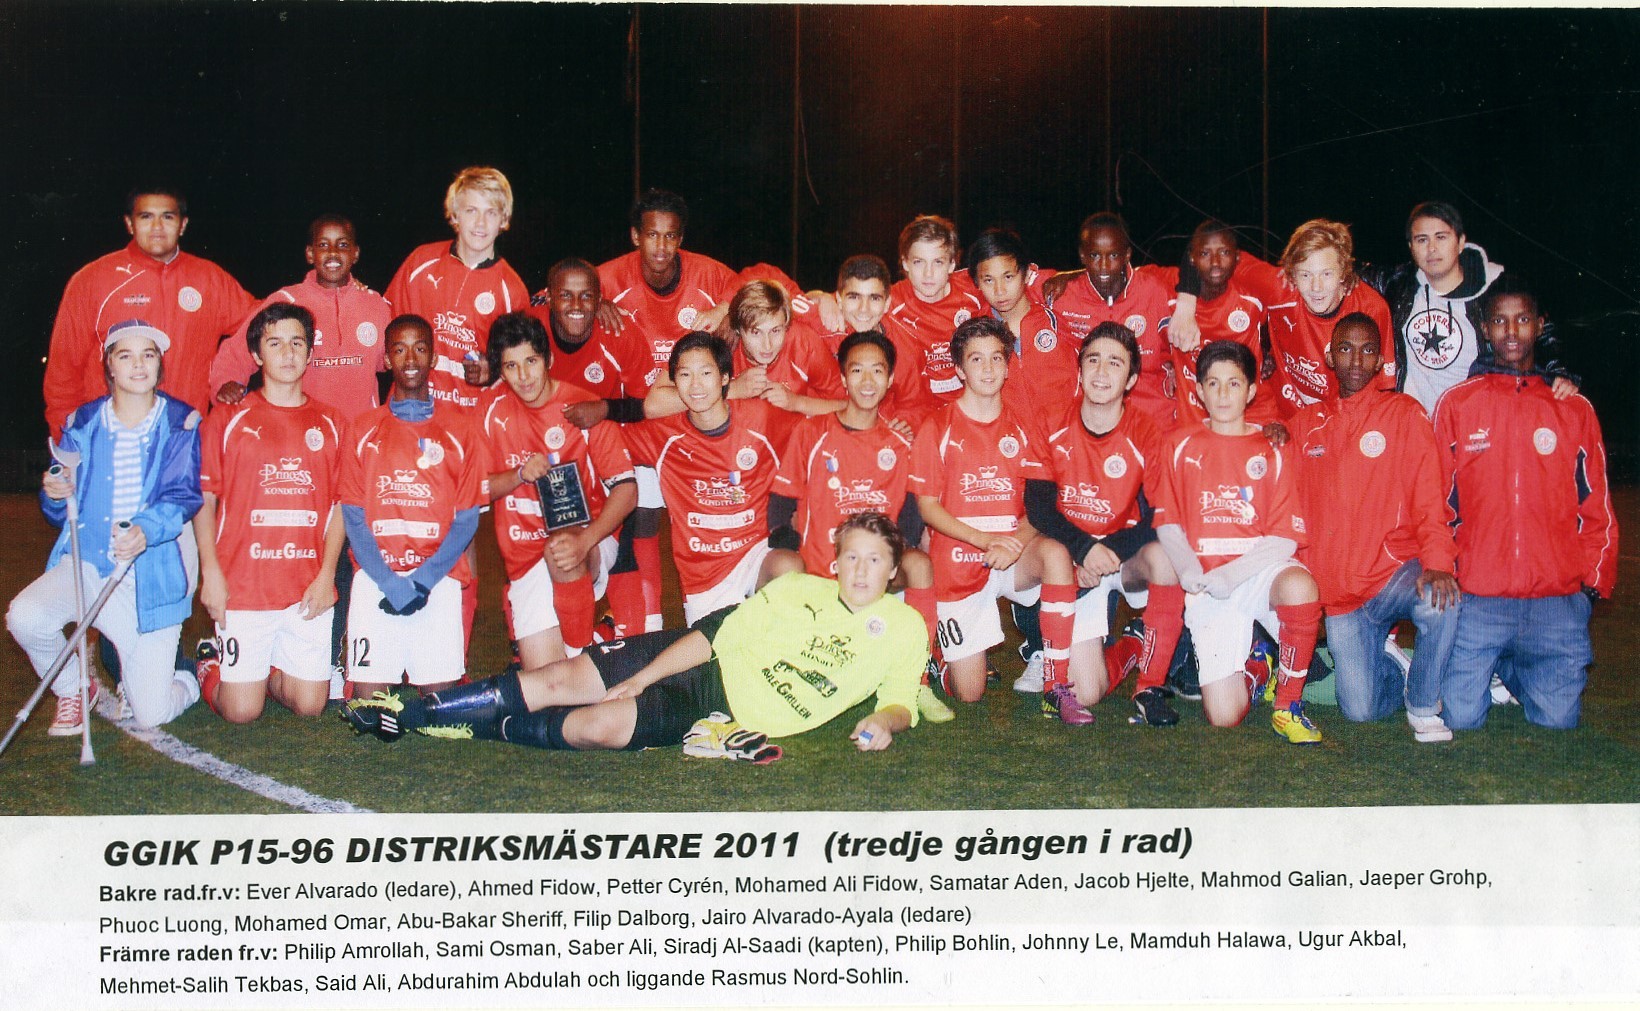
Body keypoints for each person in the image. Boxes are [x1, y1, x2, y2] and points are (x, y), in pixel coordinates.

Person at [340, 512, 925, 756]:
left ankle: (469, 725)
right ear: (835, 561)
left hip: (723, 708)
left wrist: (885, 720)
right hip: (695, 660)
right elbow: (712, 635)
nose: (861, 571)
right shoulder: (797, 588)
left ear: (894, 570)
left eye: (875, 561)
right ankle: (411, 710)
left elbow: (901, 699)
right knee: (561, 679)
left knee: (594, 727)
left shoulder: (904, 628)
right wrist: (641, 678)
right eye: (852, 557)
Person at [1433, 282, 1617, 730]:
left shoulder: (1573, 408)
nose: (1511, 332)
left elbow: (1597, 506)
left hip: (1555, 598)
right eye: (1499, 320)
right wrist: (1449, 570)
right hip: (1481, 596)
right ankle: (1494, 657)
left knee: (1557, 721)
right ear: (1484, 328)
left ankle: (1513, 667)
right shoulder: (1458, 404)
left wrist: (1591, 587)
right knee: (1462, 717)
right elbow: (1437, 503)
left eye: (1522, 320)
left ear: (1539, 325)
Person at [9, 321, 202, 731]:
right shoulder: (82, 422)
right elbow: (58, 509)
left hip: (148, 577)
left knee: (150, 713)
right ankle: (75, 688)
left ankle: (190, 675)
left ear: (160, 365)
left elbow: (183, 496)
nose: (138, 365)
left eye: (148, 355)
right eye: (125, 355)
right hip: (88, 565)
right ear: (109, 365)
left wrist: (144, 529)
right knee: (24, 616)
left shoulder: (181, 422)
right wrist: (55, 492)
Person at [1287, 313, 1460, 742]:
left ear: (1381, 360)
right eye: (1346, 349)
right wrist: (1272, 429)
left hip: (1392, 574)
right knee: (1360, 710)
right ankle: (1395, 665)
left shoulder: (1403, 414)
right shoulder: (1305, 425)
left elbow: (1428, 498)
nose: (1356, 360)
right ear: (1330, 356)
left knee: (1440, 601)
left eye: (1367, 350)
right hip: (1342, 599)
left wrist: (1439, 563)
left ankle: (1423, 705)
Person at [908, 317, 1086, 722]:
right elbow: (928, 507)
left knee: (1056, 555)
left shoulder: (1026, 425)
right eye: (976, 359)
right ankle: (941, 655)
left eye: (996, 358)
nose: (987, 369)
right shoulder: (937, 426)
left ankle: (1055, 686)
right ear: (959, 369)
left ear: (1008, 366)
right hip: (960, 560)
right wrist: (984, 540)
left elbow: (1044, 504)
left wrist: (1015, 541)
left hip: (1013, 555)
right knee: (970, 694)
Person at [769, 329, 951, 723]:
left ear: (890, 379)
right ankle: (780, 659)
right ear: (843, 378)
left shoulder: (899, 442)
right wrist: (787, 545)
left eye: (877, 371)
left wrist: (890, 561)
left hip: (876, 576)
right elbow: (781, 499)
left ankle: (918, 679)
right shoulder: (811, 432)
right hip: (821, 574)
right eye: (857, 371)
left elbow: (911, 512)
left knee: (920, 563)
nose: (867, 381)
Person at [1151, 340, 1324, 743]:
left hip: (1258, 571)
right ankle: (1259, 667)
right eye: (1213, 383)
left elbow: (1284, 539)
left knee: (1300, 586)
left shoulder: (1272, 447)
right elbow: (1168, 524)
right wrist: (1189, 571)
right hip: (1209, 583)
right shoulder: (1178, 445)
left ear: (1250, 391)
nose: (1223, 394)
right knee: (1224, 716)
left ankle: (1288, 706)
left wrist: (1232, 575)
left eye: (1234, 383)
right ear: (1199, 390)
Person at [1025, 323, 1185, 728]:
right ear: (1079, 370)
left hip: (1124, 555)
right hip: (1073, 556)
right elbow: (1039, 508)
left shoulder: (1147, 432)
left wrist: (1107, 549)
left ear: (1130, 379)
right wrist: (1082, 550)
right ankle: (1132, 644)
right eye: (1093, 360)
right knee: (1086, 691)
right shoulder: (1051, 421)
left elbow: (1160, 515)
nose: (1101, 372)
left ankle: (1149, 687)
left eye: (1115, 363)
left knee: (1167, 558)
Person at [193, 304, 347, 722]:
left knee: (310, 705)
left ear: (310, 352)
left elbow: (341, 506)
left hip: (306, 589)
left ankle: (266, 669)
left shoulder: (333, 422)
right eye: (274, 343)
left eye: (297, 342)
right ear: (256, 355)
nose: (288, 353)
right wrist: (211, 574)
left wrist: (326, 577)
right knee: (241, 712)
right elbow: (204, 498)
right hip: (244, 588)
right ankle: (210, 662)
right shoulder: (228, 418)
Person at [597, 188, 738, 632]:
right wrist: (592, 301)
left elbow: (765, 285)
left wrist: (728, 309)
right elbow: (554, 295)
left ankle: (717, 612)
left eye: (670, 236)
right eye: (652, 235)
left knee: (704, 518)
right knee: (640, 519)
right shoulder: (608, 278)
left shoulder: (710, 274)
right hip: (640, 423)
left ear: (681, 239)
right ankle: (649, 623)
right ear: (635, 236)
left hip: (696, 423)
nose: (661, 246)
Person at [480, 311, 638, 665]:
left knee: (561, 547)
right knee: (544, 677)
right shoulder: (490, 413)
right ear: (501, 371)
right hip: (523, 555)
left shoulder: (581, 409)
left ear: (548, 359)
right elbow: (472, 490)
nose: (524, 376)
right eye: (511, 366)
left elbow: (627, 491)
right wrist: (518, 475)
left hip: (588, 541)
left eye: (531, 361)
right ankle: (599, 635)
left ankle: (581, 653)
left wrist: (586, 540)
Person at [338, 315, 484, 695]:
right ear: (387, 359)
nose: (411, 359)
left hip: (437, 578)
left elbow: (467, 520)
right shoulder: (362, 428)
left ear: (433, 357)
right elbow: (353, 518)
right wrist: (390, 583)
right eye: (400, 350)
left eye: (420, 348)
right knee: (369, 707)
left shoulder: (462, 429)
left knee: (439, 705)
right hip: (377, 578)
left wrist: (422, 582)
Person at [44, 186, 256, 440]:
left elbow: (265, 323)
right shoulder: (91, 280)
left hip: (183, 439)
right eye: (146, 216)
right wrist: (68, 444)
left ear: (183, 224)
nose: (157, 227)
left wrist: (230, 377)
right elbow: (63, 375)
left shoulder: (210, 279)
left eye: (167, 216)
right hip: (108, 440)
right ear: (129, 224)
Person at [622, 332, 802, 625]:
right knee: (720, 651)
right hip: (703, 577)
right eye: (685, 375)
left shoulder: (762, 418)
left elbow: (820, 433)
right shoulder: (662, 435)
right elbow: (600, 440)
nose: (696, 385)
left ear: (725, 378)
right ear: (673, 383)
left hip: (756, 555)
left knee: (789, 566)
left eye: (706, 373)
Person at [527, 259, 652, 637]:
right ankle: (538, 642)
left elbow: (647, 404)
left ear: (600, 300)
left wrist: (605, 412)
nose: (577, 306)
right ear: (549, 297)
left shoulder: (620, 333)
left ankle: (622, 635)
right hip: (543, 463)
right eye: (566, 296)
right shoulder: (530, 328)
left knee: (618, 546)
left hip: (604, 458)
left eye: (587, 297)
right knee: (531, 553)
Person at [1359, 201, 1576, 414]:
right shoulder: (1398, 284)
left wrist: (1559, 372)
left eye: (1441, 237)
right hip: (1415, 424)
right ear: (1411, 247)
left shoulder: (1494, 288)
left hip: (1475, 421)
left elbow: (1541, 328)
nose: (1431, 248)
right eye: (1422, 239)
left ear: (1461, 242)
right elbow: (1347, 269)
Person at [209, 214, 393, 421]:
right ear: (310, 254)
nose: (333, 252)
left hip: (361, 431)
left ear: (355, 253)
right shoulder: (286, 301)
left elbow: (390, 360)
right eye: (323, 245)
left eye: (342, 245)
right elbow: (238, 350)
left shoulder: (375, 304)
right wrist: (225, 382)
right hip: (302, 430)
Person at [383, 166, 529, 412]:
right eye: (471, 210)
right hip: (412, 408)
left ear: (503, 220)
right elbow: (382, 322)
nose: (480, 223)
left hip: (471, 416)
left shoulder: (512, 290)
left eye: (491, 212)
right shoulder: (421, 262)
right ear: (454, 214)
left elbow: (521, 365)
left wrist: (494, 370)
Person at [1041, 213, 1178, 427]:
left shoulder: (1157, 292)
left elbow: (1202, 275)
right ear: (1082, 255)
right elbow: (1007, 277)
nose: (1104, 265)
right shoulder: (1060, 295)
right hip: (1090, 420)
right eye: (1095, 255)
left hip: (1155, 418)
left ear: (1127, 254)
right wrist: (1069, 275)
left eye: (1113, 255)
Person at [645, 280, 842, 418]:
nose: (767, 345)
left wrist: (796, 403)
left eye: (775, 331)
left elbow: (848, 405)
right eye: (756, 332)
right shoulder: (718, 341)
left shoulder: (803, 342)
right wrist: (731, 389)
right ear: (738, 329)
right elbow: (653, 406)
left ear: (786, 326)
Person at [1260, 219, 1396, 416]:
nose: (1316, 287)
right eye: (1305, 275)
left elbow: (1383, 387)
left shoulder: (1371, 308)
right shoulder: (1280, 289)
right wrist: (1256, 351)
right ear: (1292, 275)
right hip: (1283, 418)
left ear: (1344, 272)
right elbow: (1228, 264)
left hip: (1341, 420)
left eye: (1326, 274)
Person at [1162, 220, 1285, 427]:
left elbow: (1288, 310)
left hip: (1255, 417)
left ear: (1238, 257)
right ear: (1191, 258)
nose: (1215, 262)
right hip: (1195, 423)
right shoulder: (1170, 291)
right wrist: (1166, 361)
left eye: (1224, 253)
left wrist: (1268, 353)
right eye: (1205, 254)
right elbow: (1131, 280)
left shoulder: (1252, 294)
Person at [881, 215, 987, 426]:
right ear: (905, 263)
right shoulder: (888, 300)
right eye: (919, 262)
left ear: (952, 264)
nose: (928, 274)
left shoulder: (975, 288)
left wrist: (1058, 278)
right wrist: (822, 298)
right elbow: (845, 302)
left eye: (938, 262)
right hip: (914, 414)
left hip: (970, 408)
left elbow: (1022, 276)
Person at [966, 229, 1076, 414]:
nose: (999, 291)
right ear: (977, 283)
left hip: (1064, 430)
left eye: (1008, 277)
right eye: (989, 280)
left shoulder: (1056, 315)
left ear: (1026, 274)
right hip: (1008, 432)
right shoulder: (975, 334)